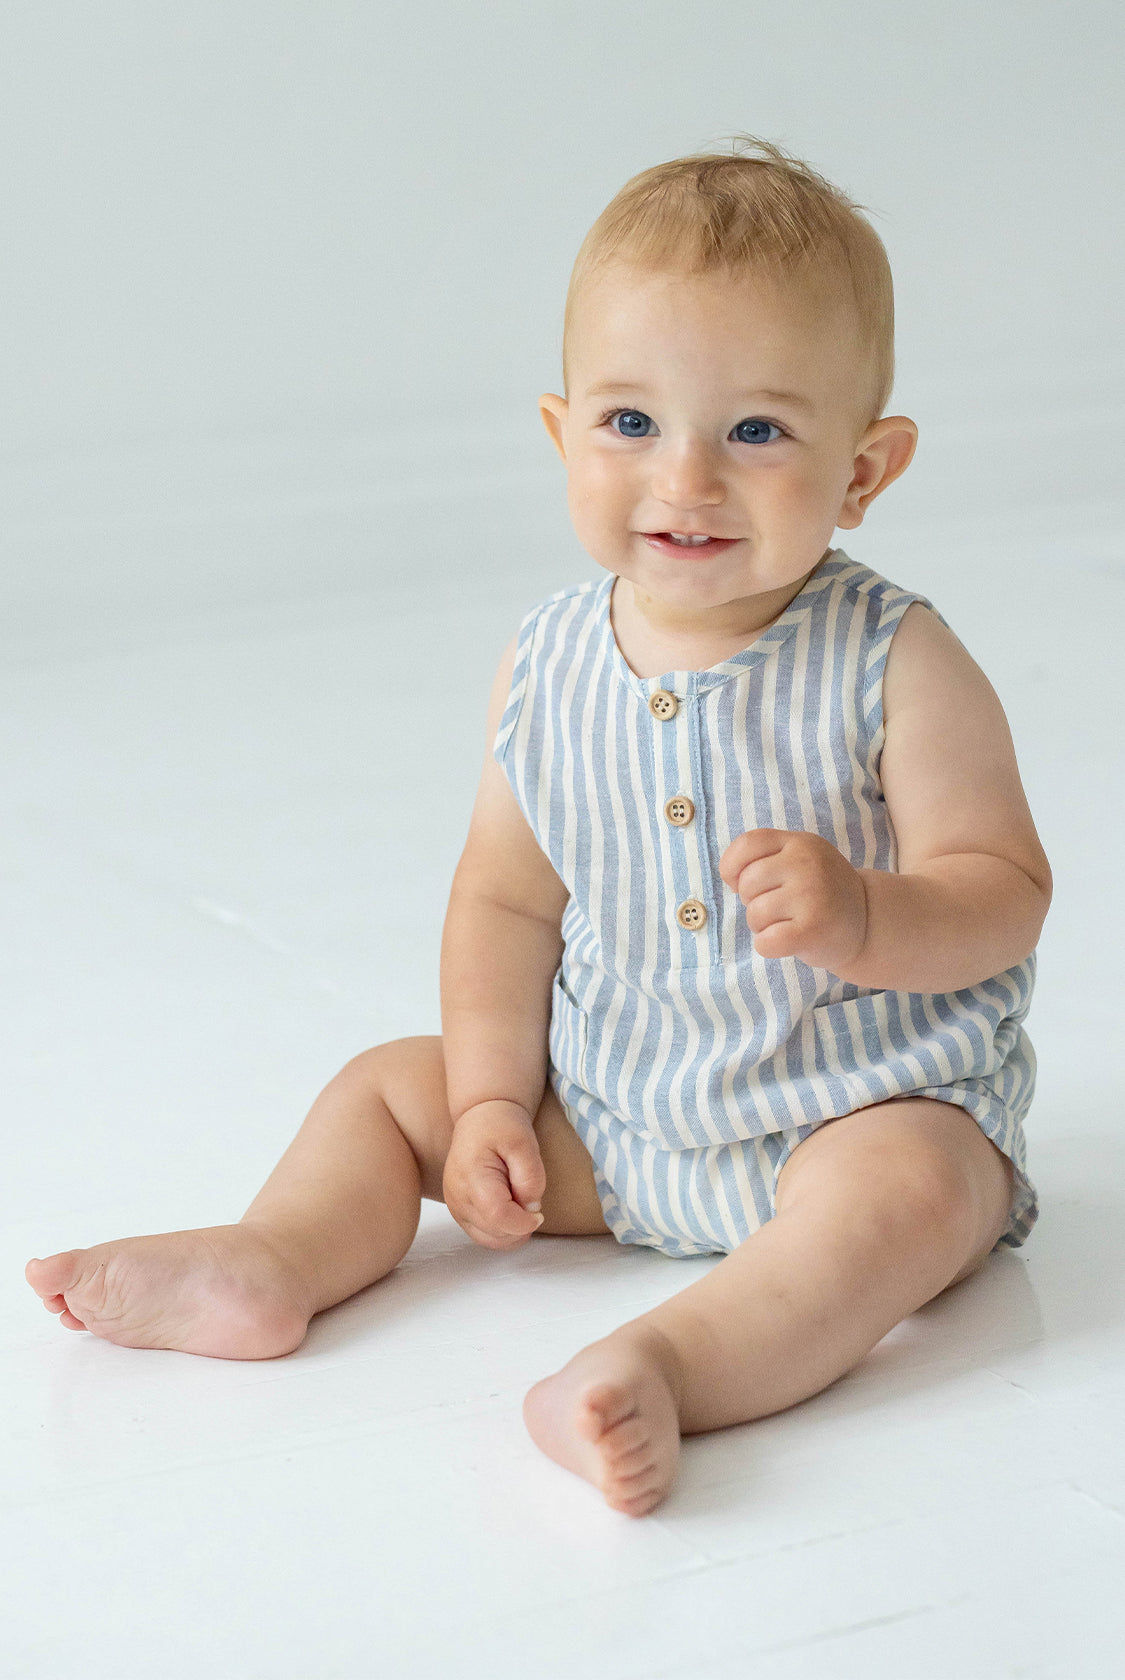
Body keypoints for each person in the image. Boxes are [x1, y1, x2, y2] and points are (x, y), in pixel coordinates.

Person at [25, 136, 1053, 1519]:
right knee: (392, 1087)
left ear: (864, 471)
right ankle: (272, 1259)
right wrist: (498, 1099)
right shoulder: (549, 661)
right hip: (622, 1119)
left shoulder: (896, 660)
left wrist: (869, 915)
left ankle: (661, 1367)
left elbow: (1001, 888)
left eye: (755, 431)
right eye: (631, 424)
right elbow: (505, 901)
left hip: (847, 1114)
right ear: (563, 433)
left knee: (923, 1196)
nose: (683, 478)